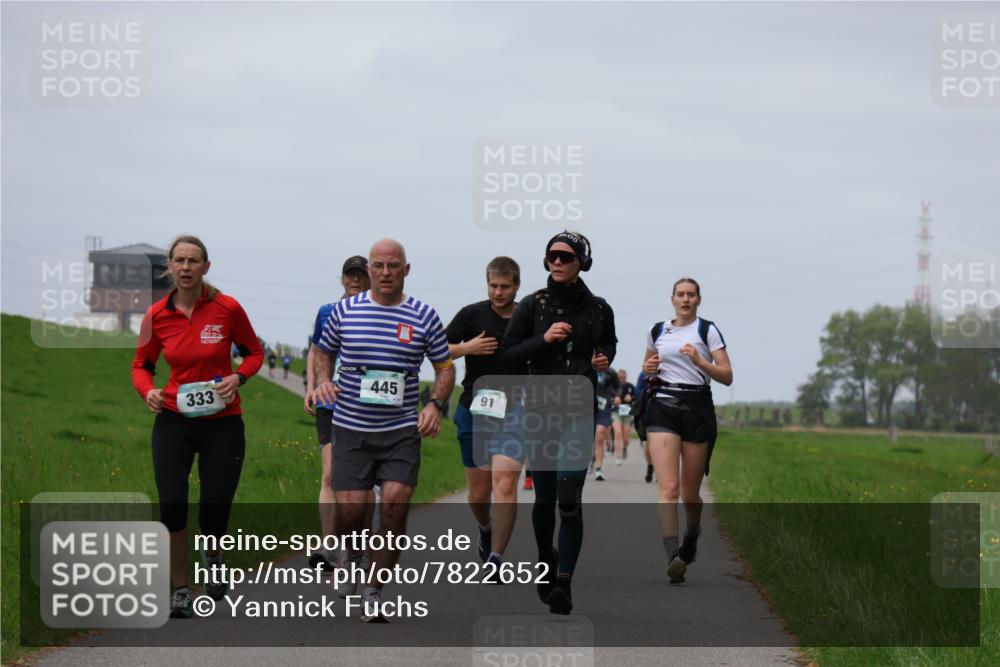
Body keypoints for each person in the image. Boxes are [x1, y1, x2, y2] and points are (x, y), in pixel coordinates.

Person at [314, 238, 455, 622]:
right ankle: (350, 555)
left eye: (394, 266)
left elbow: (445, 367)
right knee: (353, 511)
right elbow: (324, 353)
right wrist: (323, 381)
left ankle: (374, 591)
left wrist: (434, 404)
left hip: (399, 432)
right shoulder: (345, 311)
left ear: (406, 270)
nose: (385, 273)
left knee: (393, 506)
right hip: (351, 429)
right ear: (370, 269)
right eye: (378, 265)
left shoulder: (424, 315)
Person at [131, 235, 263, 619]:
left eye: (194, 260)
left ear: (206, 267)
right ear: (170, 267)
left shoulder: (227, 309)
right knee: (172, 504)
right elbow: (141, 364)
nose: (186, 267)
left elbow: (254, 353)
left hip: (222, 422)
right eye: (179, 260)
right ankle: (181, 589)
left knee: (214, 507)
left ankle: (214, 557)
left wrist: (238, 378)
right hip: (173, 420)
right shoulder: (156, 315)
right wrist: (148, 392)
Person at [501, 230, 617, 615]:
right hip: (540, 410)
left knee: (569, 500)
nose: (557, 261)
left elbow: (609, 345)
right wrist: (545, 339)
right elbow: (510, 355)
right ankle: (545, 558)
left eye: (566, 256)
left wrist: (602, 360)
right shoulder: (532, 306)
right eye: (552, 255)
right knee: (545, 498)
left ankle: (564, 582)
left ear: (582, 260)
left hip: (578, 411)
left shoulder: (600, 308)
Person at [639, 277, 732, 584]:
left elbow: (727, 376)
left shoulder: (708, 330)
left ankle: (691, 533)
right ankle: (673, 557)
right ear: (673, 299)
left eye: (691, 295)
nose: (686, 299)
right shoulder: (658, 330)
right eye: (680, 294)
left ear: (698, 300)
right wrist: (649, 369)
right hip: (663, 405)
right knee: (669, 488)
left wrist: (700, 360)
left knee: (690, 494)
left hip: (696, 407)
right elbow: (648, 366)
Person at [446, 256, 523, 570]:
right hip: (475, 409)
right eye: (493, 285)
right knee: (478, 495)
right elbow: (436, 347)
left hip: (517, 411)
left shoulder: (528, 316)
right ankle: (485, 528)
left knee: (504, 484)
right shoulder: (471, 314)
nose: (498, 292)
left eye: (505, 287)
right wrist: (468, 349)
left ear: (516, 286)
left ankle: (496, 557)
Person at [303, 255, 371, 572]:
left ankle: (357, 540)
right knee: (330, 473)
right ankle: (328, 547)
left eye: (361, 275)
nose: (355, 281)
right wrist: (313, 386)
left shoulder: (381, 312)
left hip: (367, 405)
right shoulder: (328, 312)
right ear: (342, 279)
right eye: (350, 275)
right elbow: (318, 350)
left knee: (363, 480)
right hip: (332, 402)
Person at [591, 368, 619, 481]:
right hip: (588, 407)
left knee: (600, 435)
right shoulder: (587, 368)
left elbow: (617, 388)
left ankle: (599, 468)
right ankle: (591, 457)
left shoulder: (611, 372)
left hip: (604, 408)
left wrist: (617, 396)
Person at [612, 369, 636, 465]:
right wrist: (614, 399)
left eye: (623, 377)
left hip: (627, 412)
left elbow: (636, 398)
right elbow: (608, 396)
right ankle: (618, 456)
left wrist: (631, 399)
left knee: (626, 438)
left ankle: (625, 448)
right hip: (616, 412)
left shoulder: (630, 386)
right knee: (617, 433)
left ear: (626, 377)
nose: (622, 379)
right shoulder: (613, 387)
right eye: (620, 378)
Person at [634, 370, 655, 483]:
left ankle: (661, 470)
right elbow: (637, 391)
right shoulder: (644, 373)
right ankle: (650, 466)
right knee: (648, 443)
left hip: (664, 412)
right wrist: (650, 391)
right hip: (647, 412)